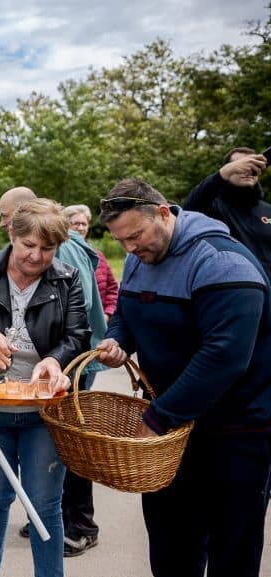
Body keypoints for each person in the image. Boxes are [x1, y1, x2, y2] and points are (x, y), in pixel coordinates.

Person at [94, 179, 271, 577]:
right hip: (173, 431)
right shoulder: (143, 257)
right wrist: (118, 339)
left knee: (233, 546)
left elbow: (224, 357)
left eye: (135, 236)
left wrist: (156, 420)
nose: (130, 249)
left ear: (163, 213)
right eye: (121, 241)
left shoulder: (223, 262)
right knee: (172, 542)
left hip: (236, 430)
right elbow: (126, 312)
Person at [0, 198, 89, 577]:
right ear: (12, 233)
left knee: (44, 503)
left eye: (47, 249)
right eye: (29, 245)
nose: (36, 256)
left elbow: (79, 336)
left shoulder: (67, 277)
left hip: (44, 410)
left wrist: (55, 359)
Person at [1, 188, 107, 556]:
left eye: (6, 217)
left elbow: (79, 313)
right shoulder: (38, 249)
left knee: (71, 445)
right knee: (50, 446)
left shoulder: (61, 247)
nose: (2, 224)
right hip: (53, 365)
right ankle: (49, 515)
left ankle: (80, 523)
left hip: (74, 366)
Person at [182, 147, 271, 279]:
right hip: (235, 287)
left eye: (253, 165)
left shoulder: (268, 210)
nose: (248, 170)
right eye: (241, 165)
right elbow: (188, 208)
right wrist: (223, 173)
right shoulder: (211, 206)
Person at [63, 205, 119, 320]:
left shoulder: (98, 255)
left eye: (84, 224)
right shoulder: (62, 255)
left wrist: (107, 314)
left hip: (100, 324)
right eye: (76, 224)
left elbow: (112, 289)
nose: (81, 228)